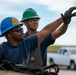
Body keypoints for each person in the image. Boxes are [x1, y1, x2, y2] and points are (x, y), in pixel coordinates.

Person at [0, 7, 76, 68]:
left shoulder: (28, 43)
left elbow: (48, 31)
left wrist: (64, 21)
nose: (35, 22)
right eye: (18, 30)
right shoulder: (3, 50)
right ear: (25, 22)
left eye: (37, 20)